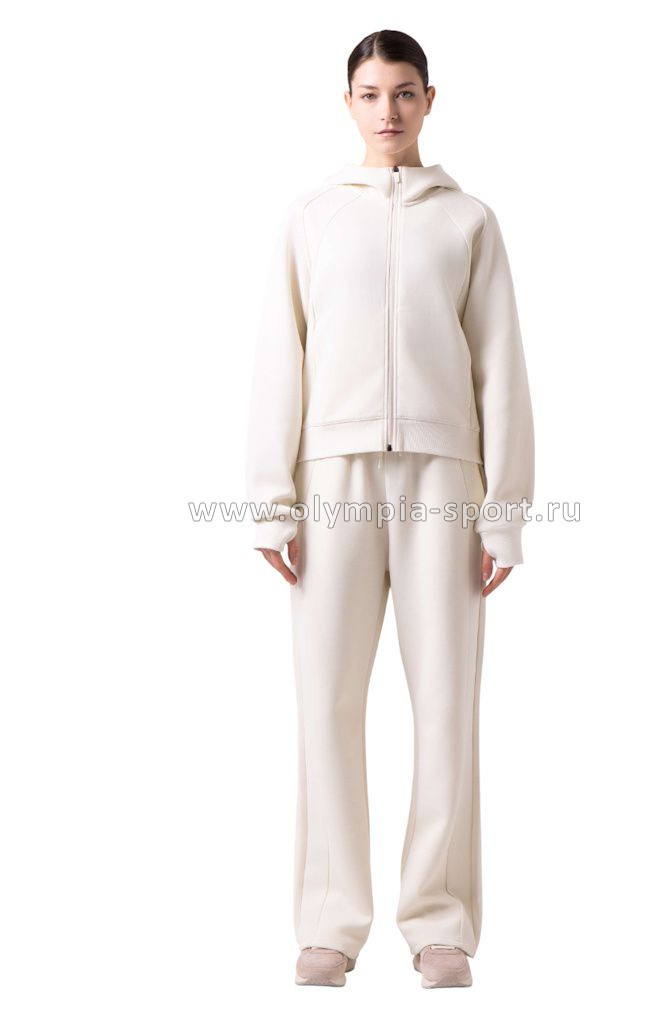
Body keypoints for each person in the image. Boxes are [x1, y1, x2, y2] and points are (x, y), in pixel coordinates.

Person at [245, 29, 534, 989]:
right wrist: (270, 502)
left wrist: (504, 512)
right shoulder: (313, 217)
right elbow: (279, 357)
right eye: (370, 94)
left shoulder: (470, 222)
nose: (387, 111)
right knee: (327, 701)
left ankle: (440, 924)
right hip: (331, 481)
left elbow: (502, 370)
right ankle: (330, 924)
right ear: (348, 103)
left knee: (446, 701)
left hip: (446, 483)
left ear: (429, 100)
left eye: (403, 93)